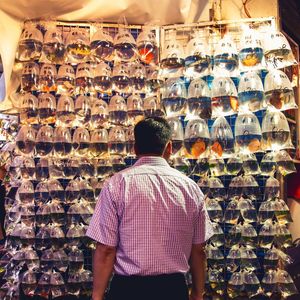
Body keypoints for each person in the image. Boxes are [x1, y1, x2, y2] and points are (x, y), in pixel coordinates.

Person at [87, 117, 213, 300]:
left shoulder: (117, 184)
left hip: (128, 290)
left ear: (135, 148)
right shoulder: (190, 188)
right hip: (173, 289)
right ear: (169, 148)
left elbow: (106, 249)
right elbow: (199, 250)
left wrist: (97, 296)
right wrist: (197, 294)